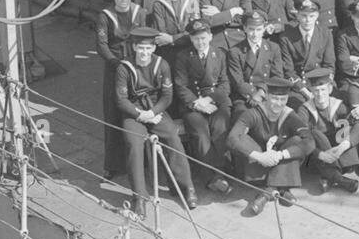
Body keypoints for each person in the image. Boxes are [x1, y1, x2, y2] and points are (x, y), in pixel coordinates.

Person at [114, 27, 198, 214]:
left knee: (172, 137)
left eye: (148, 48)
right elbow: (121, 100)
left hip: (155, 109)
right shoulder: (124, 67)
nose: (144, 53)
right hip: (133, 111)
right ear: (134, 47)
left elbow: (167, 96)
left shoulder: (162, 64)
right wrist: (139, 115)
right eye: (140, 48)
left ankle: (186, 187)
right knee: (134, 145)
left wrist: (152, 113)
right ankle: (139, 197)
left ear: (153, 48)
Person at [228, 77, 314, 214]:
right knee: (242, 138)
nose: (278, 104)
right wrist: (259, 156)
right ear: (266, 96)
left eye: (283, 99)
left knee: (297, 140)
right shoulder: (253, 113)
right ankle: (282, 188)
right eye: (274, 98)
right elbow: (232, 138)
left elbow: (309, 141)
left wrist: (280, 155)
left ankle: (266, 193)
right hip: (258, 166)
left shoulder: (289, 115)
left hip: (278, 161)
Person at [172, 19, 234, 196]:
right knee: (200, 133)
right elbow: (181, 86)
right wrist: (197, 104)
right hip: (192, 103)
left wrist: (209, 100)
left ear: (210, 36)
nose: (200, 42)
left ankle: (220, 172)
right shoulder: (183, 56)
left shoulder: (219, 54)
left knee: (220, 128)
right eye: (196, 39)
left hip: (215, 101)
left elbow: (224, 84)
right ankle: (211, 177)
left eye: (203, 38)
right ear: (191, 39)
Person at [95, 0, 146, 180]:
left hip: (138, 70)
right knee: (113, 114)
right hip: (115, 68)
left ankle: (143, 163)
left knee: (138, 112)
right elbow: (101, 45)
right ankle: (113, 164)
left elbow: (146, 39)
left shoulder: (140, 13)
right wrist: (117, 64)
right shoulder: (105, 16)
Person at [299, 68, 359, 193]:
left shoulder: (339, 105)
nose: (320, 94)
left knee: (349, 127)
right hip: (316, 154)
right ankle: (339, 179)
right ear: (310, 91)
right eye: (316, 90)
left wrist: (343, 146)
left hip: (338, 151)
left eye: (323, 90)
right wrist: (320, 154)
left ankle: (327, 178)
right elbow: (302, 137)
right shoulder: (304, 110)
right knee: (315, 134)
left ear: (329, 89)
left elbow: (358, 125)